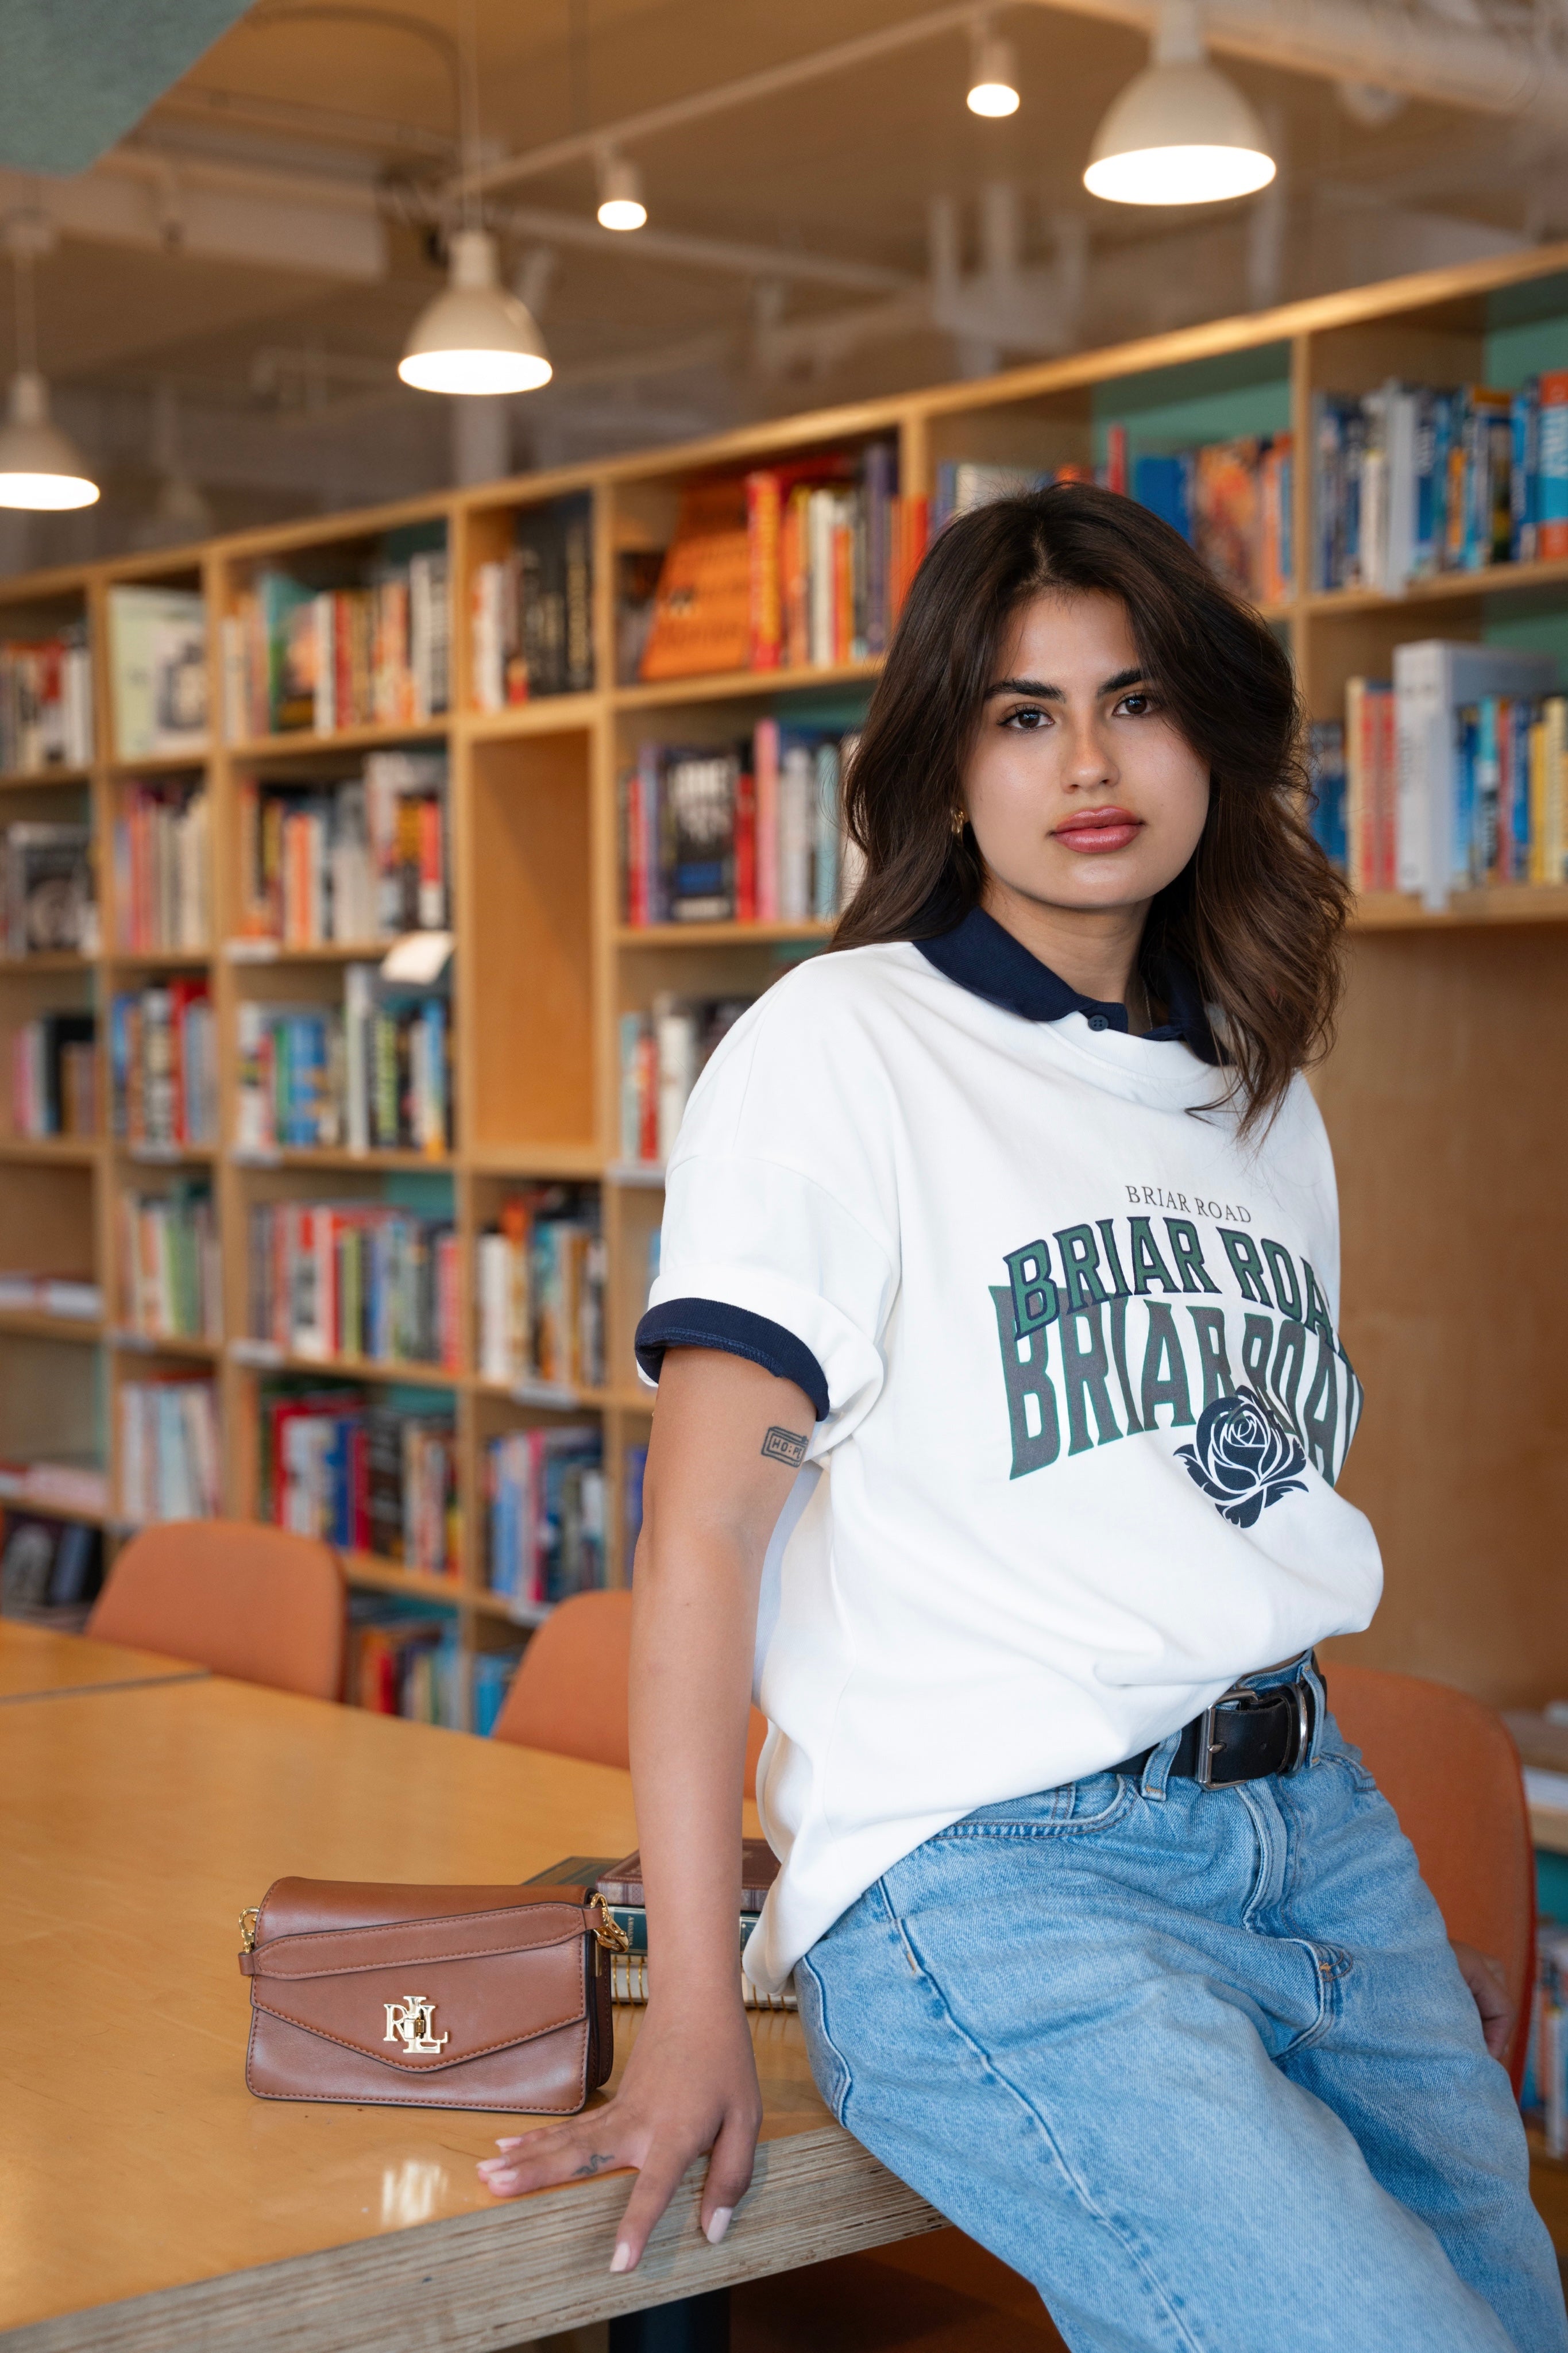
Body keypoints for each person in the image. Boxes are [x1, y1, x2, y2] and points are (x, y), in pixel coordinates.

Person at [478, 484, 1566, 2352]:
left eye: (1135, 703)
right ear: (945, 762)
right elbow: (702, 1540)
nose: (1088, 761)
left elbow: (1215, 1517)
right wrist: (689, 2017)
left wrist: (1341, 1898)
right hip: (999, 1887)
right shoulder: (841, 1047)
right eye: (1020, 712)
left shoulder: (1254, 1094)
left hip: (1312, 1841)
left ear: (1208, 736)